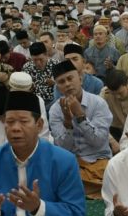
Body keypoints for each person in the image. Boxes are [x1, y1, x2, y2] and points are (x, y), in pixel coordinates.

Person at [48, 60, 113, 199]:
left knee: (108, 178)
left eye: (70, 78)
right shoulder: (55, 110)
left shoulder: (98, 103)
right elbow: (63, 148)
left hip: (99, 160)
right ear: (58, 87)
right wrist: (68, 123)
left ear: (81, 79)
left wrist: (80, 117)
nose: (67, 84)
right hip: (72, 163)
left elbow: (98, 142)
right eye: (61, 82)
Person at [100, 69, 128, 142]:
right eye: (113, 94)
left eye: (120, 93)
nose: (117, 97)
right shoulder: (105, 92)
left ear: (127, 84)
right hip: (116, 129)